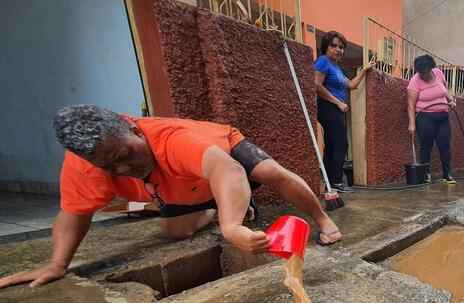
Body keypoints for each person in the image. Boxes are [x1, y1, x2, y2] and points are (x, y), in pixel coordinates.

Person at [0, 105, 342, 289]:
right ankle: (218, 207)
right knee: (175, 231)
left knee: (269, 172)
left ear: (132, 127)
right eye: (110, 166)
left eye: (124, 154)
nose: (123, 168)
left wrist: (232, 227)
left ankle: (323, 219)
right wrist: (58, 264)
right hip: (181, 186)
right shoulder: (86, 167)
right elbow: (73, 213)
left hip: (221, 152)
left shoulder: (171, 139)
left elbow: (229, 171)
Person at [314, 31, 373, 192]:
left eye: (341, 47)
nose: (338, 49)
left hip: (336, 108)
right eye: (334, 45)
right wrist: (338, 102)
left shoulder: (336, 67)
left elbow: (352, 85)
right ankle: (336, 182)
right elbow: (316, 85)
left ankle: (329, 181)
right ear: (326, 47)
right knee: (341, 144)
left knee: (333, 145)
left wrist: (364, 70)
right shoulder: (323, 61)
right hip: (328, 107)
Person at [407, 54, 457, 184]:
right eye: (421, 72)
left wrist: (451, 101)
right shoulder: (415, 81)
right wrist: (412, 123)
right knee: (426, 146)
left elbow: (445, 91)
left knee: (445, 145)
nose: (424, 75)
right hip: (425, 117)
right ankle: (426, 174)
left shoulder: (438, 73)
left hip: (443, 116)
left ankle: (447, 174)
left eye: (426, 71)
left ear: (431, 68)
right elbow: (410, 105)